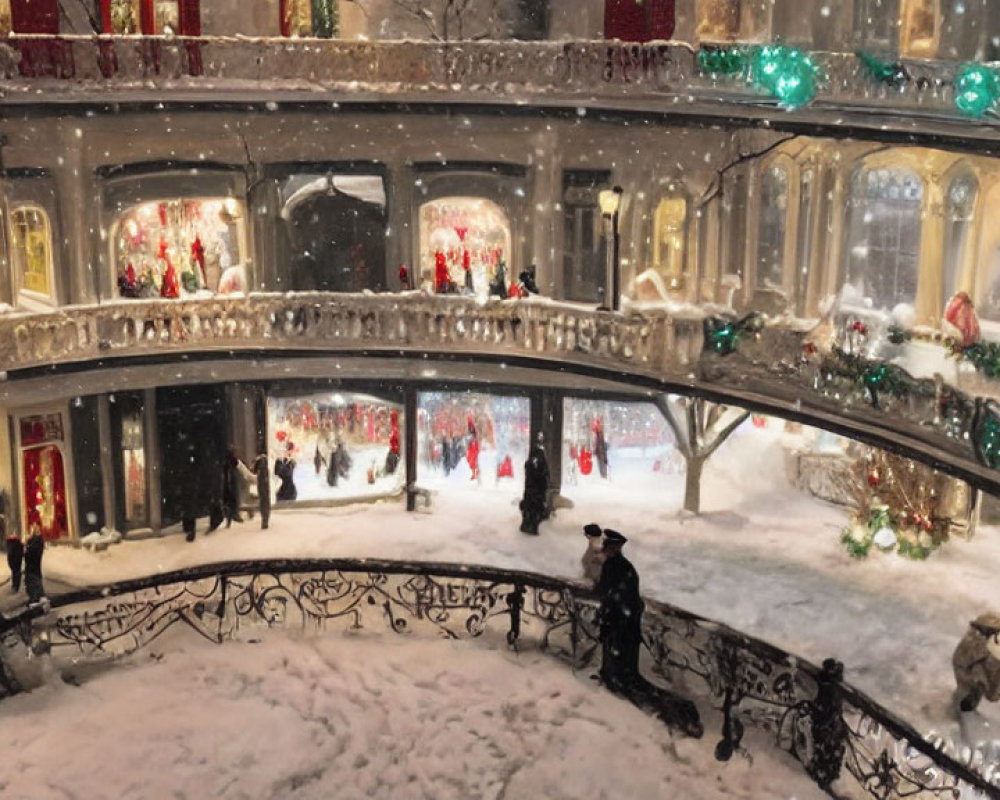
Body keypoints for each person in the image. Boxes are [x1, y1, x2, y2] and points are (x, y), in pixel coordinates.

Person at [596, 529, 644, 692]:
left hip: (621, 620)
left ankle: (617, 682)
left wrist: (608, 613)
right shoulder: (618, 565)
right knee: (619, 654)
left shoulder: (617, 566)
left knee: (619, 654)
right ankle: (615, 679)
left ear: (616, 547)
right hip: (621, 618)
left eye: (607, 546)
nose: (604, 548)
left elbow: (611, 592)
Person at [519, 434, 550, 535]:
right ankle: (531, 526)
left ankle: (528, 525)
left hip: (531, 493)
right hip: (536, 493)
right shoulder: (540, 463)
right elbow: (545, 478)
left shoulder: (530, 463)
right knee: (535, 509)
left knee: (530, 508)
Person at [23, 526, 45, 603]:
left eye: (32, 529)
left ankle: (36, 598)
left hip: (32, 567)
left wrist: (27, 545)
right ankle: (37, 597)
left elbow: (30, 553)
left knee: (33, 581)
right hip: (33, 567)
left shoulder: (36, 541)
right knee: (33, 581)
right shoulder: (36, 540)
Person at [253, 453, 271, 530]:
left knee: (263, 501)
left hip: (262, 484)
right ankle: (265, 519)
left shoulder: (259, 461)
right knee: (265, 501)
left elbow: (254, 471)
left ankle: (265, 519)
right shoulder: (264, 461)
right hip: (264, 484)